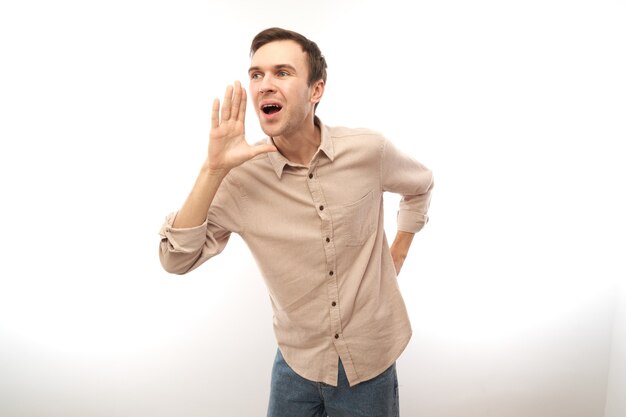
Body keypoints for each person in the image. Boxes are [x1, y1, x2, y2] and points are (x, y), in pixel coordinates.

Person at [159, 27, 434, 417]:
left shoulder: (368, 151)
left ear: (316, 90)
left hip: (370, 361)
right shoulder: (239, 178)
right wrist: (213, 168)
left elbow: (421, 184)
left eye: (282, 73)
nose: (264, 86)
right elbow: (175, 259)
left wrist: (399, 250)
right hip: (296, 366)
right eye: (257, 75)